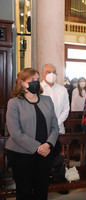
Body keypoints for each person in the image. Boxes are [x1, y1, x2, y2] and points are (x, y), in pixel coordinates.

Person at [6, 68, 58, 200]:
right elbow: (15, 132)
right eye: (32, 80)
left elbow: (54, 126)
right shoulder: (14, 103)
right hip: (21, 154)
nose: (36, 82)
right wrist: (37, 147)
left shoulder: (47, 100)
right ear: (23, 83)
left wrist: (48, 144)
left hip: (45, 152)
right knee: (25, 191)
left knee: (42, 189)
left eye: (37, 80)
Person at [41, 64, 70, 134]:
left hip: (59, 128)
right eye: (48, 72)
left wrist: (57, 122)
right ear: (43, 74)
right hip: (42, 127)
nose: (52, 74)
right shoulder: (38, 88)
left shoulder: (62, 89)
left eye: (54, 72)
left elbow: (66, 109)